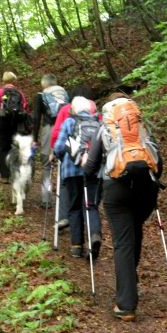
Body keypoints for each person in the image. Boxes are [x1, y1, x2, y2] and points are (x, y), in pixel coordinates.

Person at [84, 93, 163, 322]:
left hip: (116, 190)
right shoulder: (141, 127)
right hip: (146, 189)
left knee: (123, 242)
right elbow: (158, 162)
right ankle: (130, 279)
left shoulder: (105, 127)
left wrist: (93, 174)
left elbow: (90, 167)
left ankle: (126, 304)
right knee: (135, 229)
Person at [54, 96, 102, 259]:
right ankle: (94, 235)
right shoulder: (99, 124)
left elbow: (59, 147)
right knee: (91, 205)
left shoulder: (69, 122)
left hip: (71, 171)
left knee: (74, 207)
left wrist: (58, 156)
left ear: (73, 109)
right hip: (93, 171)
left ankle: (76, 246)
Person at [50, 85, 97, 230]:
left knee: (66, 185)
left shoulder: (66, 109)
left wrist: (55, 151)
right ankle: (88, 223)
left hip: (71, 158)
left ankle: (65, 217)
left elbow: (56, 132)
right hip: (92, 159)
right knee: (89, 191)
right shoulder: (93, 109)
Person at [32, 74, 68, 208]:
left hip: (49, 130)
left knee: (46, 166)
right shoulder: (64, 94)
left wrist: (34, 138)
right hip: (65, 130)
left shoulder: (40, 95)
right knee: (64, 163)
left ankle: (46, 200)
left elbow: (36, 118)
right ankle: (65, 200)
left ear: (44, 83)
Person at [0, 71, 30, 182]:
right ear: (14, 80)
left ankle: (5, 176)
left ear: (4, 80)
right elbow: (25, 107)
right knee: (15, 148)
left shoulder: (0, 92)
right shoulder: (19, 93)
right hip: (16, 123)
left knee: (3, 148)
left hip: (2, 122)